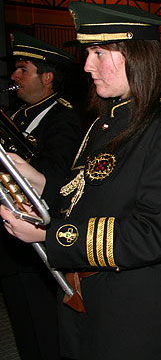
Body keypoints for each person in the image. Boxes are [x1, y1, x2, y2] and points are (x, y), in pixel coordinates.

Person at [1, 1, 161, 360]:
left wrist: (50, 237)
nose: (87, 66)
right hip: (88, 292)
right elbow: (86, 191)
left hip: (140, 308)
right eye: (88, 53)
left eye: (98, 53)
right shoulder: (110, 117)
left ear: (136, 56)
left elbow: (154, 233)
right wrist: (36, 181)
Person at [0, 32, 82, 360]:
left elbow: (55, 176)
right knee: (23, 324)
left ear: (47, 78)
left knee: (46, 327)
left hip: (39, 235)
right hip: (11, 238)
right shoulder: (17, 117)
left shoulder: (63, 117)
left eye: (23, 69)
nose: (14, 76)